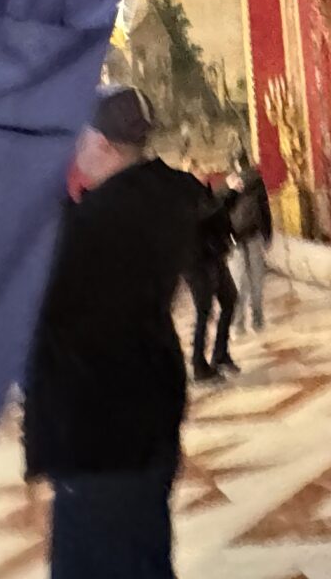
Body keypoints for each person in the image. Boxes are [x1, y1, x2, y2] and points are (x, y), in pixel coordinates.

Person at [22, 86, 207, 579]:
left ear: (102, 144)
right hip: (151, 416)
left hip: (97, 434)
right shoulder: (168, 203)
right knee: (146, 557)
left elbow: (44, 317)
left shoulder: (92, 227)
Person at [186, 170, 240, 382]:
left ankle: (220, 354)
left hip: (214, 256)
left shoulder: (207, 195)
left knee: (230, 300)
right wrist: (230, 192)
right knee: (204, 311)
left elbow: (220, 214)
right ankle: (199, 364)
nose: (203, 174)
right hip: (196, 262)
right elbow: (206, 216)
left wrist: (233, 194)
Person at [226, 151, 274, 332]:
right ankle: (257, 318)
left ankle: (239, 323)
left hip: (235, 237)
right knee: (257, 278)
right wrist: (268, 235)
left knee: (239, 280)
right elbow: (264, 208)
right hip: (254, 234)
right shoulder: (257, 181)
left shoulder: (229, 183)